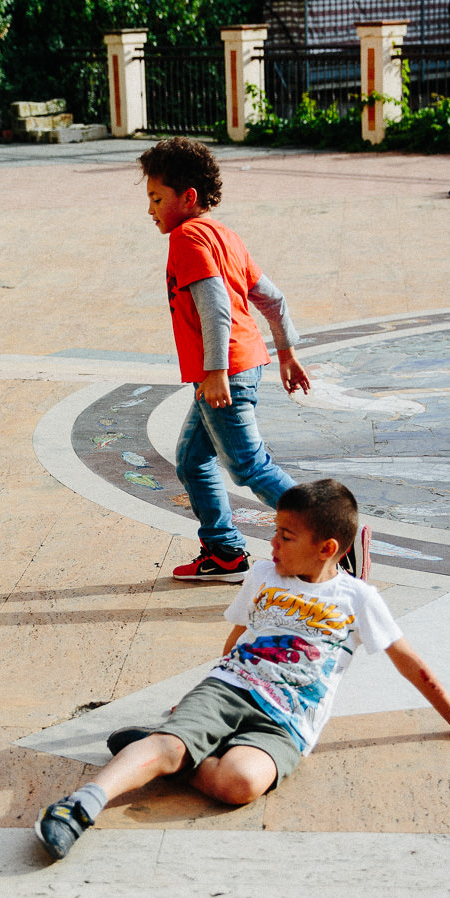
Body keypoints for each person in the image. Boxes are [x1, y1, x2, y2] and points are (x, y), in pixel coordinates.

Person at [34, 479, 450, 861]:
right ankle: (80, 807)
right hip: (230, 686)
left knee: (238, 784)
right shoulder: (263, 576)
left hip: (288, 721)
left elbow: (410, 663)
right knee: (170, 741)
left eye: (286, 536)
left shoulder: (358, 599)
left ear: (326, 548)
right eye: (275, 531)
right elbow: (239, 635)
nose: (273, 544)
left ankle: (170, 757)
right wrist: (205, 687)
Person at [141, 137, 311, 583]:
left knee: (248, 466)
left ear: (188, 197)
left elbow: (215, 307)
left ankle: (330, 531)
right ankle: (225, 552)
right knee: (192, 460)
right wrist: (287, 353)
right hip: (240, 363)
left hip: (227, 371)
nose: (151, 209)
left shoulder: (187, 237)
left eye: (157, 198)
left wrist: (215, 373)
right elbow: (272, 298)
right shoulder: (226, 236)